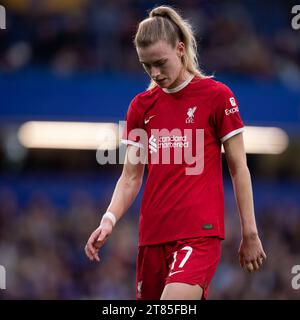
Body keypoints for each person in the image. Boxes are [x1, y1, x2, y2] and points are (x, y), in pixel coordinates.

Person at [85, 5, 266, 300]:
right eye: (146, 66)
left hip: (200, 234)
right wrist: (108, 220)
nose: (155, 73)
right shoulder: (141, 107)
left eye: (160, 62)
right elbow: (131, 177)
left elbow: (238, 168)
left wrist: (250, 232)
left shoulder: (217, 96)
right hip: (152, 237)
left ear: (180, 49)